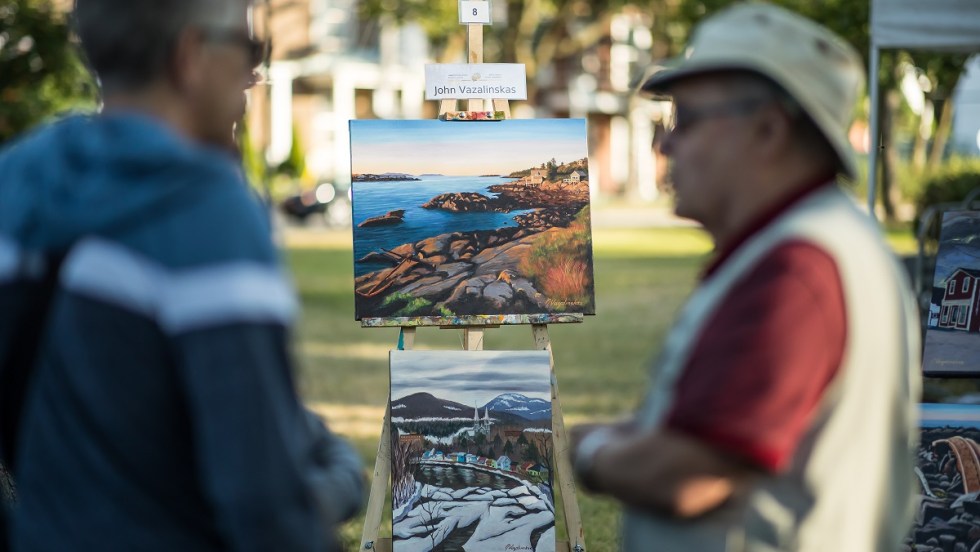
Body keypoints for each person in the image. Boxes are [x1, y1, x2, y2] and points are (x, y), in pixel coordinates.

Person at [0, 0, 364, 549]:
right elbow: (264, 508)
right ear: (190, 55)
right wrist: (338, 484)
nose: (253, 72)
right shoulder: (207, 213)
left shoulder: (19, 179)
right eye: (247, 47)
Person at [571, 3, 921, 551]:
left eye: (685, 120)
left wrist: (590, 451)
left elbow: (693, 476)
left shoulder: (797, 268)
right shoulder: (808, 244)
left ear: (768, 130)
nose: (665, 145)